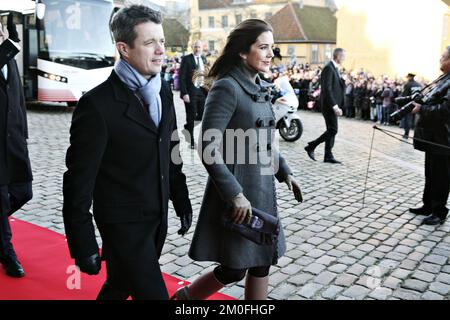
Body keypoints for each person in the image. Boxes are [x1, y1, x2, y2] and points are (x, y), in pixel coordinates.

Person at [62, 5, 193, 300]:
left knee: (120, 286)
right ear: (124, 48)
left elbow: (170, 150)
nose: (161, 50)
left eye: (161, 41)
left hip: (155, 217)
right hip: (123, 226)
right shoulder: (97, 106)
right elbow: (77, 182)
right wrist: (83, 244)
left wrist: (180, 196)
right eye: (150, 43)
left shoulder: (162, 93)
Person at [171, 19, 302, 300]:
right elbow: (207, 146)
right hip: (239, 195)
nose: (270, 54)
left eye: (272, 48)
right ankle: (184, 300)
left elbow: (263, 141)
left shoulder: (259, 86)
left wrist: (285, 172)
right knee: (234, 269)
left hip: (263, 190)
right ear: (243, 52)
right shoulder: (228, 88)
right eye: (263, 47)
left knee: (262, 263)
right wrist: (234, 193)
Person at [0, 20, 33, 278]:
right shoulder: (5, 53)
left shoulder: (8, 58)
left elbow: (18, 97)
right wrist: (7, 46)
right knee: (1, 199)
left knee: (23, 192)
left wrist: (23, 134)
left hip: (13, 142)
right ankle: (7, 253)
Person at [409, 47, 450, 226]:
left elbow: (446, 110)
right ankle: (428, 205)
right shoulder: (444, 78)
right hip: (434, 135)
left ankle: (439, 211)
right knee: (430, 172)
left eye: (443, 57)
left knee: (441, 175)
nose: (440, 59)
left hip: (444, 137)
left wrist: (422, 109)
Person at [304, 48, 346, 164]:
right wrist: (335, 106)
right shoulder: (328, 68)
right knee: (333, 130)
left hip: (333, 104)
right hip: (329, 105)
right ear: (337, 56)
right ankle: (312, 145)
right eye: (343, 56)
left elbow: (335, 87)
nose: (344, 59)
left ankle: (328, 155)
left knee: (331, 130)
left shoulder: (335, 68)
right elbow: (327, 89)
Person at [179, 40, 208, 149]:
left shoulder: (203, 58)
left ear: (202, 48)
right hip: (190, 92)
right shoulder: (186, 59)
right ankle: (191, 140)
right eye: (195, 47)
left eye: (199, 47)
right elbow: (181, 76)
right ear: (192, 47)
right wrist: (184, 93)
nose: (197, 49)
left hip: (202, 91)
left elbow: (206, 75)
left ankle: (188, 127)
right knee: (191, 116)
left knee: (202, 114)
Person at [401, 73, 422, 138]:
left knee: (407, 119)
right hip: (417, 103)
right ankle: (415, 133)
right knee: (416, 119)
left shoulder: (408, 84)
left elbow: (405, 95)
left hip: (409, 103)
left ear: (409, 77)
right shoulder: (418, 84)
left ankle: (406, 133)